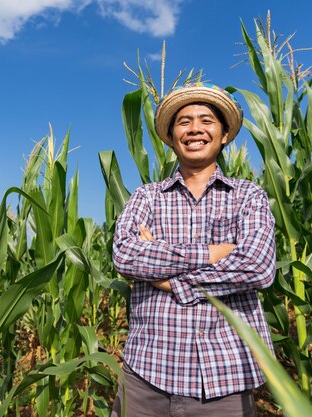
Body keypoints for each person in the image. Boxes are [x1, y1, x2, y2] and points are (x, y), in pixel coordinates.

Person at [110, 82, 276, 417]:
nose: (195, 129)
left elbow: (258, 266)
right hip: (146, 376)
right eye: (184, 122)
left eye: (206, 121)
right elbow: (125, 255)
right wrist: (214, 253)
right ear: (171, 138)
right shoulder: (146, 196)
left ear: (224, 135)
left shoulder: (249, 196)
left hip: (225, 379)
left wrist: (171, 277)